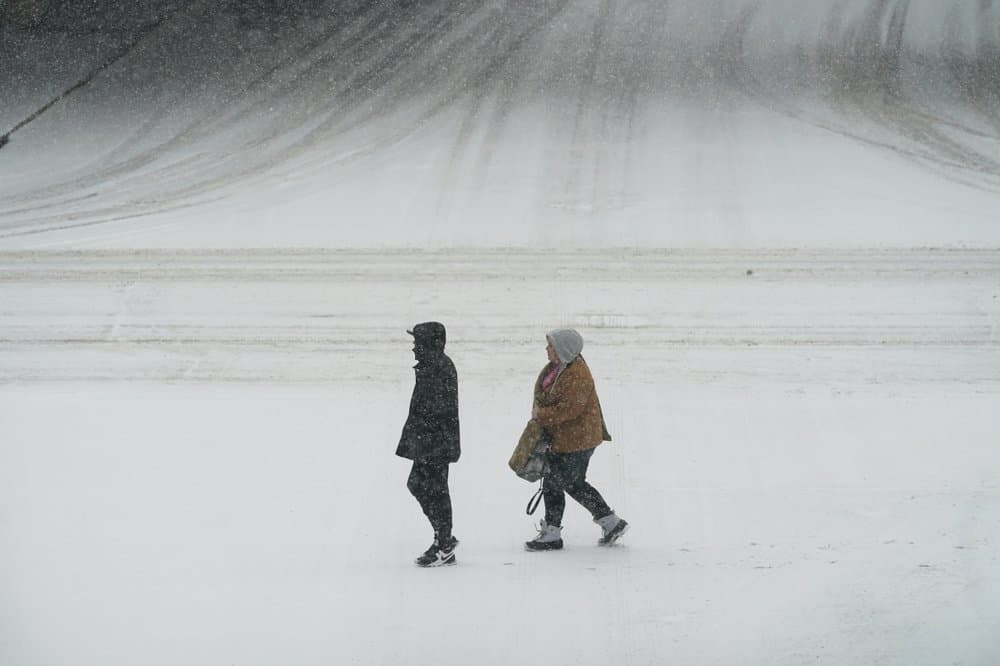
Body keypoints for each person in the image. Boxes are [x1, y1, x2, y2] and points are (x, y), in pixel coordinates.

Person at [525, 328, 628, 551]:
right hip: (567, 438)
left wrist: (540, 415)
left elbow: (568, 410)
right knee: (569, 483)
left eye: (550, 346)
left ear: (563, 349)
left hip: (577, 440)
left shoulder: (577, 374)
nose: (546, 349)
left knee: (560, 483)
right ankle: (609, 522)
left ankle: (554, 533)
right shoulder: (560, 367)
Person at [397, 321, 461, 567]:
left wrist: (422, 440)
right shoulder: (433, 365)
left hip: (435, 445)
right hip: (429, 443)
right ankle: (444, 537)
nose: (413, 349)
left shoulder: (439, 368)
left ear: (429, 344)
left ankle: (444, 544)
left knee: (433, 490)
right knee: (421, 486)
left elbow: (437, 412)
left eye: (417, 343)